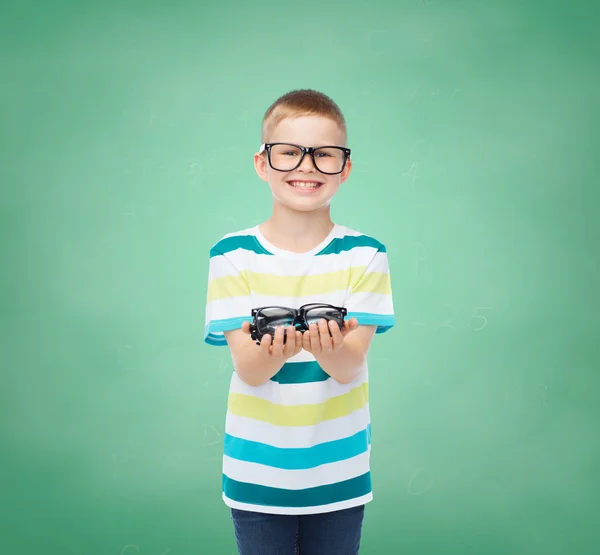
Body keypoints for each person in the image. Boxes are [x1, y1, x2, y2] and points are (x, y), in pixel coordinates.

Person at [203, 89, 395, 555]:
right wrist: (282, 349)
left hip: (339, 470)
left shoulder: (365, 253)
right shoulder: (231, 255)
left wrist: (329, 350)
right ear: (262, 163)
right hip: (257, 472)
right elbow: (249, 370)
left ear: (344, 168)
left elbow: (349, 368)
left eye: (323, 155)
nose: (306, 166)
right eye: (289, 152)